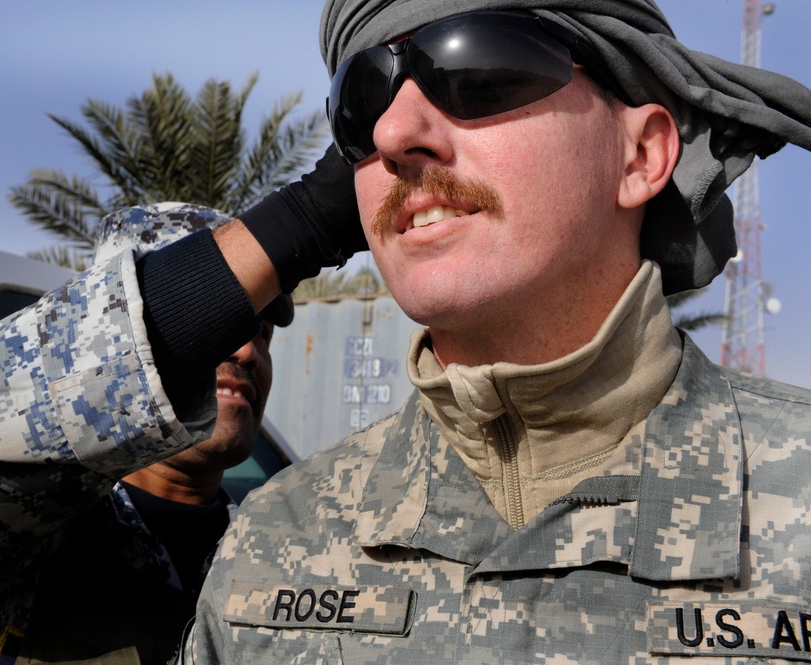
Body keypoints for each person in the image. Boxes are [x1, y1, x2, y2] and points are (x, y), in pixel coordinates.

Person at [178, 1, 811, 663]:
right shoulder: (275, 539)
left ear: (642, 155)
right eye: (360, 101)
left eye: (475, 70)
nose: (393, 131)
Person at [0, 202, 331, 665]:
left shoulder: (288, 555)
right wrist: (302, 214)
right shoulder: (2, 543)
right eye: (210, 320)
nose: (246, 351)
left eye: (262, 331)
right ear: (113, 337)